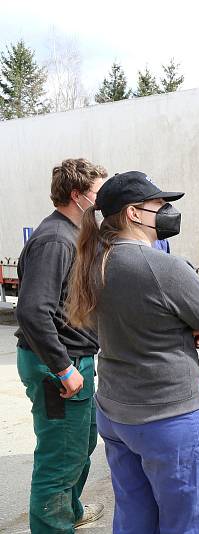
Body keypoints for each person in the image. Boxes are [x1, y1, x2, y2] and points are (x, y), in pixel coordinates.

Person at [65, 171, 199, 534]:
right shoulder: (164, 267)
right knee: (184, 524)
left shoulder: (93, 262)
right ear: (133, 213)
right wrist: (194, 330)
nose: (167, 210)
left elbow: (106, 327)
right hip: (168, 418)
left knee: (133, 517)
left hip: (116, 413)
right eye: (159, 204)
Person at [14, 158, 107, 533]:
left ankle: (70, 512)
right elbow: (33, 311)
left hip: (73, 360)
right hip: (57, 365)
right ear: (77, 195)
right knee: (58, 462)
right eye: (98, 194)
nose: (102, 203)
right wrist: (63, 367)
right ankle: (54, 525)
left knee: (79, 448)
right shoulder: (55, 239)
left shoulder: (74, 233)